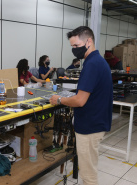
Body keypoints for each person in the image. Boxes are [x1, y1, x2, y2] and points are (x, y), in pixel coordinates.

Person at [50, 26, 113, 185]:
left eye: (76, 46)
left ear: (89, 41)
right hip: (96, 123)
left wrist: (59, 99)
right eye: (72, 47)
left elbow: (80, 101)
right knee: (89, 170)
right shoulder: (99, 61)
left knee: (88, 176)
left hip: (90, 127)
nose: (74, 50)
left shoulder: (92, 64)